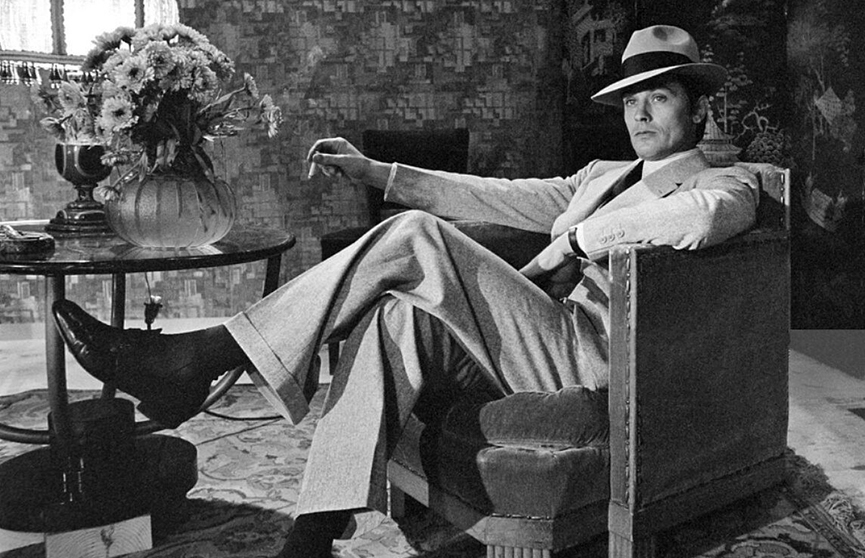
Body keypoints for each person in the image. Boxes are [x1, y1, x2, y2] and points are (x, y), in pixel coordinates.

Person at [52, 25, 759, 557]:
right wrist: (375, 173)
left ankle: (200, 356)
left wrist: (573, 242)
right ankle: (314, 531)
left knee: (416, 235)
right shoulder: (600, 175)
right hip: (542, 332)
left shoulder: (726, 181)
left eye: (659, 97)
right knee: (394, 314)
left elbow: (699, 221)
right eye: (631, 100)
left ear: (697, 111)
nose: (640, 114)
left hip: (598, 356)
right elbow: (490, 194)